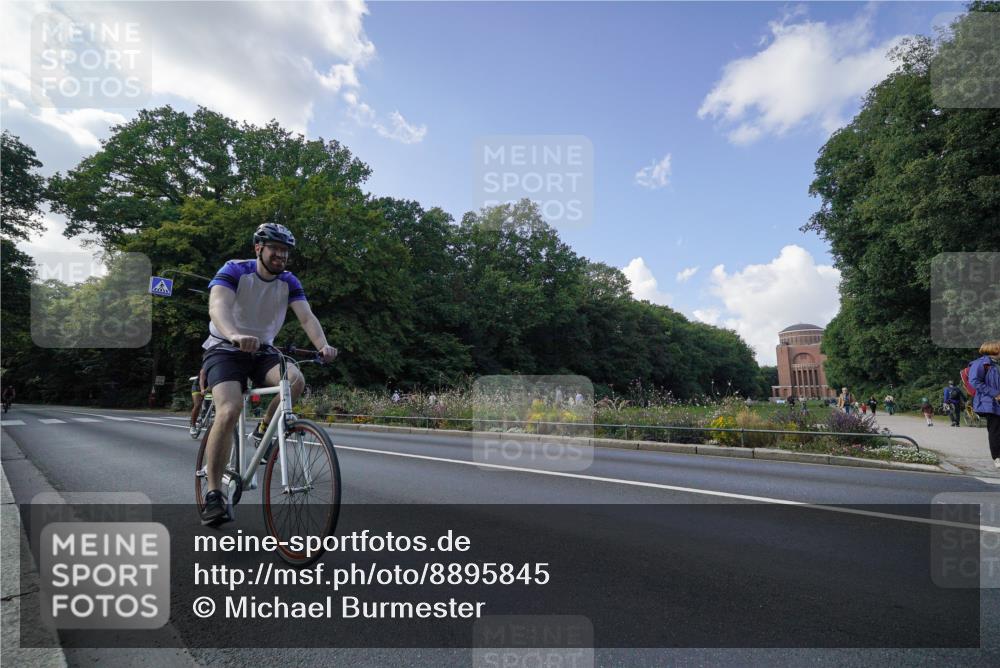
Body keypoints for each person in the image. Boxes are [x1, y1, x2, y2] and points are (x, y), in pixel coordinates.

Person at [199, 222, 337, 526]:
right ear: (258, 249)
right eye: (275, 249)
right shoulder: (235, 270)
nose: (281, 255)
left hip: (262, 351)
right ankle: (213, 495)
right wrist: (234, 334)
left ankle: (263, 430)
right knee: (230, 408)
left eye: (285, 251)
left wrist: (323, 345)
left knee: (296, 380)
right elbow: (217, 306)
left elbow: (306, 317)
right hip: (225, 348)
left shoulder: (288, 281)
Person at [968, 341, 1000, 468]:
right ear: (995, 349)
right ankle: (997, 458)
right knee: (995, 430)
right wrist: (995, 394)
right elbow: (974, 381)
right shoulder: (981, 363)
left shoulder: (997, 364)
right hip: (990, 403)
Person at [189, 367, 208, 433]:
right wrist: (202, 389)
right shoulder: (205, 369)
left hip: (208, 388)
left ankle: (204, 415)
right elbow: (201, 381)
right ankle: (192, 425)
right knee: (197, 405)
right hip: (198, 387)